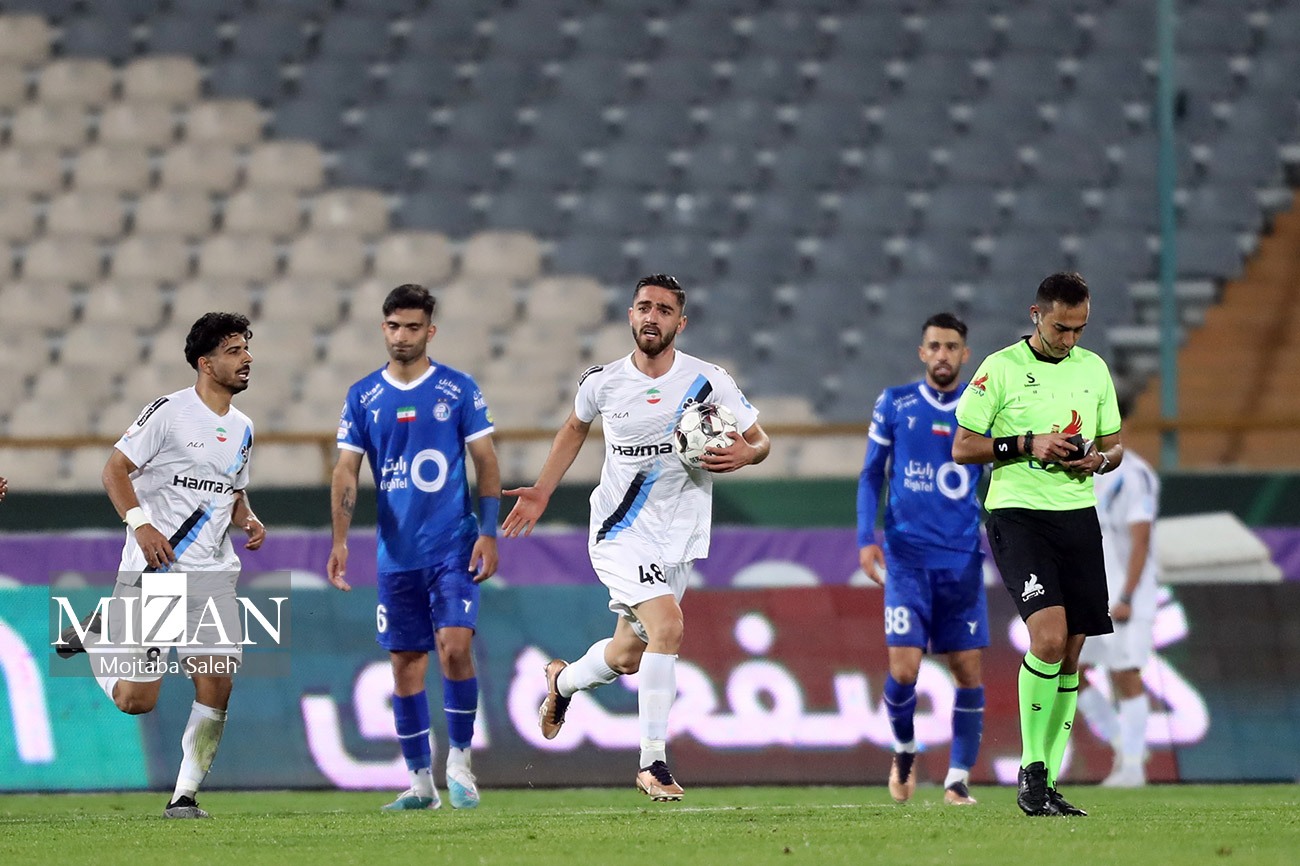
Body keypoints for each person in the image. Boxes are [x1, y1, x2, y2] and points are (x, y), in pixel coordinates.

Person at [502, 274, 770, 801]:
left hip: (679, 538)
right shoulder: (602, 381)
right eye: (644, 307)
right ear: (630, 315)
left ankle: (561, 682)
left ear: (680, 323)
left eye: (664, 310)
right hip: (619, 531)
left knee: (627, 655)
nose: (652, 316)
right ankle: (653, 763)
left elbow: (759, 439)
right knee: (668, 625)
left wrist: (747, 453)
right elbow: (573, 428)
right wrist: (541, 490)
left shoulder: (709, 380)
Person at [58, 312, 264, 819]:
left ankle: (183, 797)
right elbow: (114, 470)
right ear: (205, 363)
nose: (246, 358)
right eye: (234, 351)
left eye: (245, 348)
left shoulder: (243, 427)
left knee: (217, 682)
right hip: (158, 572)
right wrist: (141, 525)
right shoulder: (169, 412)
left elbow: (230, 490)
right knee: (136, 701)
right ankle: (98, 636)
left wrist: (247, 516)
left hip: (213, 575)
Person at [952, 272, 1123, 817]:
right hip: (1019, 515)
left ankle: (1047, 780)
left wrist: (1097, 460)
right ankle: (1030, 772)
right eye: (1060, 328)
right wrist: (1029, 443)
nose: (1069, 339)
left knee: (1071, 653)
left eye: (1079, 329)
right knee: (1047, 639)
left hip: (1078, 517)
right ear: (1036, 315)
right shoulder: (1001, 368)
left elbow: (1115, 445)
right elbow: (963, 446)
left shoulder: (1093, 369)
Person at [328, 284, 500, 812]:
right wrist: (340, 540)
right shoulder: (363, 396)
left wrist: (489, 532)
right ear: (383, 328)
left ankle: (461, 763)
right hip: (396, 554)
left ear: (430, 330)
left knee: (455, 645)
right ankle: (420, 783)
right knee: (405, 663)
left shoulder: (456, 388)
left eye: (412, 327)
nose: (402, 336)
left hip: (453, 545)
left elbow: (486, 462)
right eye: (394, 326)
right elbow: (346, 470)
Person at [857, 312, 987, 807]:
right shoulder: (895, 403)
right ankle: (905, 748)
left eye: (951, 347)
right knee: (905, 669)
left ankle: (958, 779)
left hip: (961, 561)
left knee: (967, 671)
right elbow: (872, 473)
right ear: (922, 352)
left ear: (964, 354)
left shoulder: (982, 408)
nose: (942, 355)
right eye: (934, 346)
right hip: (907, 559)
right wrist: (865, 538)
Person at [1075, 445, 1160, 788]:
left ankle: (1133, 768)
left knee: (1126, 674)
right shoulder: (1080, 467)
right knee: (1068, 670)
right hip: (1092, 590)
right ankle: (1122, 742)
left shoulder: (1134, 474)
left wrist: (1126, 595)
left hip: (1127, 594)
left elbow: (1141, 540)